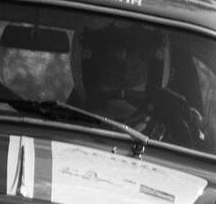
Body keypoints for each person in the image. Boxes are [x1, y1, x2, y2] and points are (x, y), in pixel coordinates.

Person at [68, 22, 205, 148]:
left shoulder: (178, 126)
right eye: (109, 59)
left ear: (154, 68)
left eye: (137, 54)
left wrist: (179, 127)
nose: (123, 62)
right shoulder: (65, 123)